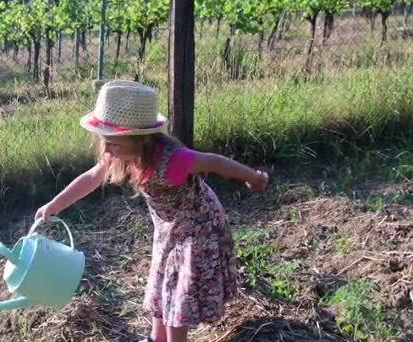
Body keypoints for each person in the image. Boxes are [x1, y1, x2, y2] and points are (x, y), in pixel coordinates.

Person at [35, 80, 269, 342]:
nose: (107, 149)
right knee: (162, 285)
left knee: (178, 295)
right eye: (105, 141)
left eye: (114, 142)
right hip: (169, 227)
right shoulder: (119, 151)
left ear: (141, 138)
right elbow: (91, 177)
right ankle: (156, 338)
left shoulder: (172, 160)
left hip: (197, 227)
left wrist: (253, 177)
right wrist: (55, 204)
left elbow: (213, 162)